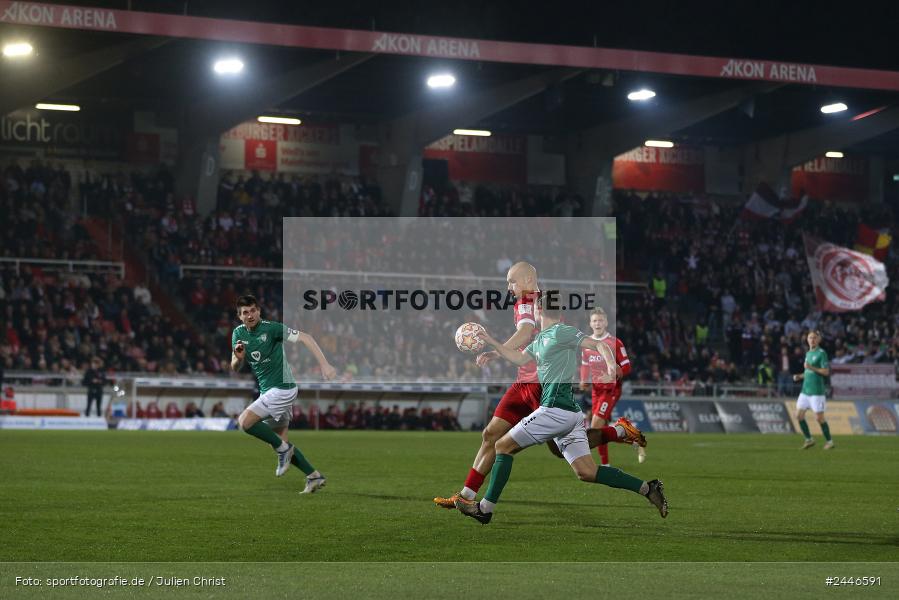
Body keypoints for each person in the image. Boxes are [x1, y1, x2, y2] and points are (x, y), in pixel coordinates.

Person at [434, 263, 644, 509]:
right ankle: (466, 495)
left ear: (527, 279)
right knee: (491, 434)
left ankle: (618, 431)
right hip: (523, 381)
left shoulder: (527, 303)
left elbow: (525, 332)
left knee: (554, 449)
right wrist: (501, 353)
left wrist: (498, 349)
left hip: (540, 386)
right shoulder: (542, 301)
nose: (508, 287)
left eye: (512, 281)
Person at [454, 291, 668, 524]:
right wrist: (492, 345)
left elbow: (598, 345)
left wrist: (610, 365)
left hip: (555, 410)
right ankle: (648, 488)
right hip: (569, 413)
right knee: (586, 471)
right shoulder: (541, 339)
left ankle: (485, 509)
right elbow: (519, 359)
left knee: (503, 445)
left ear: (538, 311)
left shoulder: (561, 332)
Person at [231, 294, 337, 494]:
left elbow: (306, 337)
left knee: (245, 421)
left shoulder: (272, 328)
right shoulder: (238, 334)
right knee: (278, 442)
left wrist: (325, 364)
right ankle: (314, 476)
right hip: (268, 391)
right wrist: (238, 358)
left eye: (253, 310)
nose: (250, 314)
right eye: (245, 312)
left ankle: (284, 451)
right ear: (240, 316)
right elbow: (234, 366)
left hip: (282, 388)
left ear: (259, 311)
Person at [580, 308, 642, 465]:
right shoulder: (587, 344)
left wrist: (612, 374)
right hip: (596, 391)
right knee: (601, 430)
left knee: (594, 429)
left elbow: (627, 367)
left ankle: (597, 463)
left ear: (606, 323)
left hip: (611, 390)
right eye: (594, 320)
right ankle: (631, 440)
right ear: (590, 323)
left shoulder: (615, 343)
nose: (597, 323)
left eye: (600, 320)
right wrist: (583, 379)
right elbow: (585, 365)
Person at [792, 330, 833, 450]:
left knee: (819, 418)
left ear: (819, 339)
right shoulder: (808, 353)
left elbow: (825, 372)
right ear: (807, 339)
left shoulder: (821, 353)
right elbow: (808, 372)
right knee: (798, 415)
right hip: (805, 391)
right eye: (810, 338)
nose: (812, 340)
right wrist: (800, 376)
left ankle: (829, 441)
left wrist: (811, 367)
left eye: (815, 338)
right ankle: (809, 439)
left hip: (817, 392)